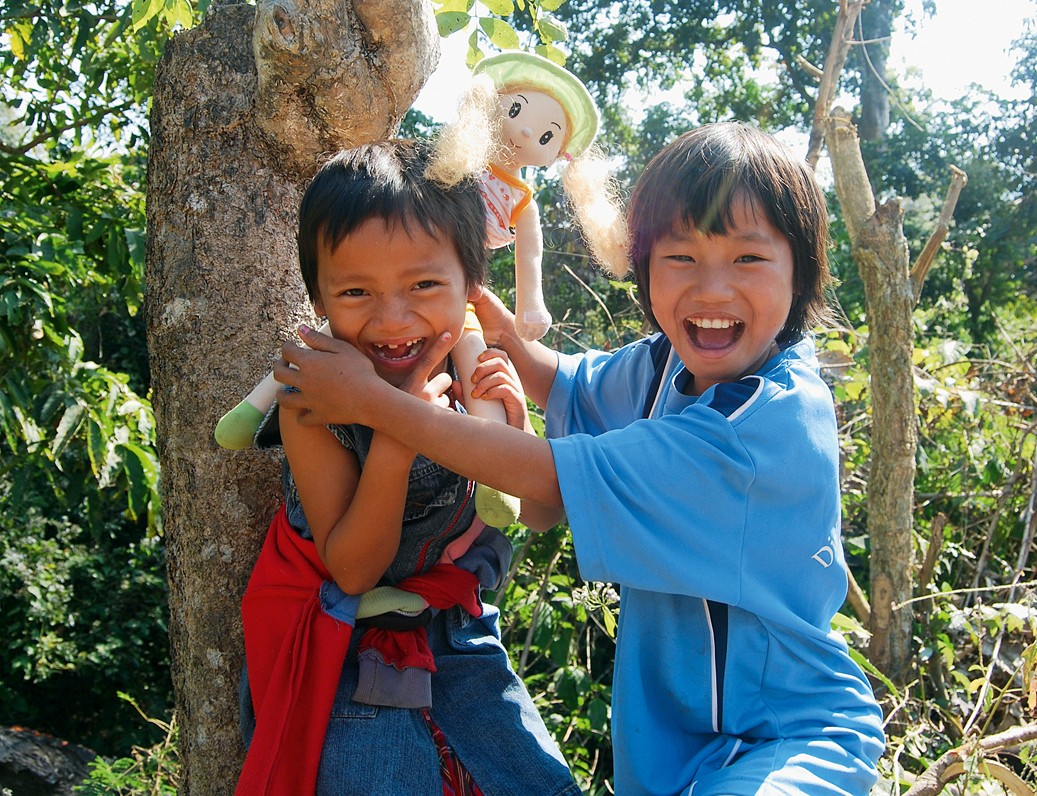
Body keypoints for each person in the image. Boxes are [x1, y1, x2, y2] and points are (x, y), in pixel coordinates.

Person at [273, 122, 887, 796]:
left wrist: (377, 406)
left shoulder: (761, 422)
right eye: (679, 257)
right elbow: (565, 380)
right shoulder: (664, 366)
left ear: (800, 272)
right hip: (671, 754)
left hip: (783, 738)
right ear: (643, 269)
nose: (711, 290)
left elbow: (543, 481)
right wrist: (483, 322)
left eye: (747, 259)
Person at [237, 139, 582, 796]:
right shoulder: (313, 401)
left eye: (423, 285)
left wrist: (515, 422)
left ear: (470, 288)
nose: (392, 320)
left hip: (456, 636)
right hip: (346, 645)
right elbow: (353, 567)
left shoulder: (472, 369)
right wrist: (397, 436)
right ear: (319, 297)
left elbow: (538, 511)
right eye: (355, 291)